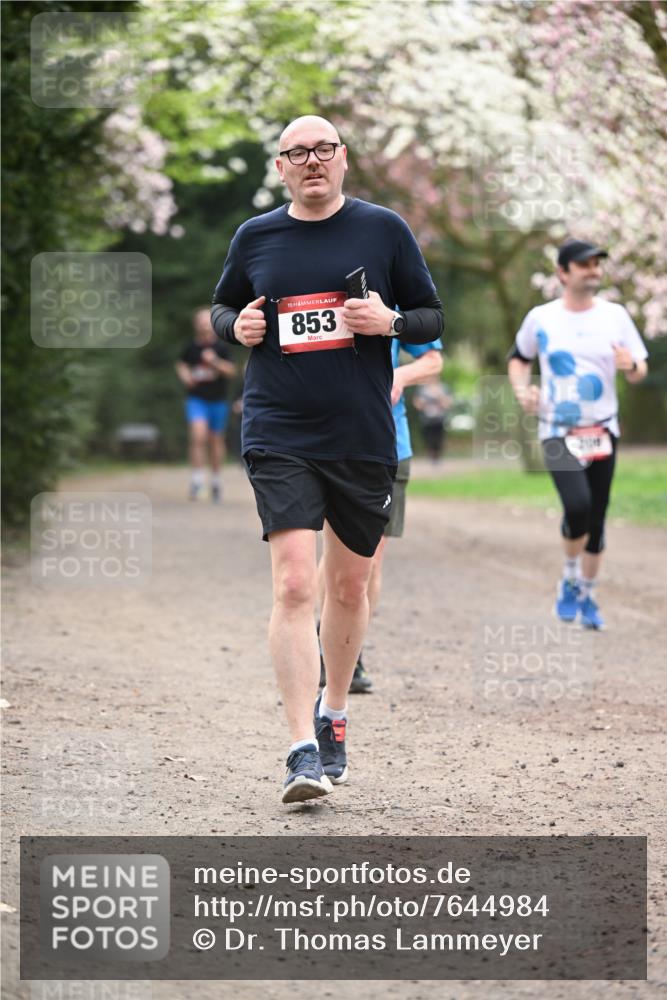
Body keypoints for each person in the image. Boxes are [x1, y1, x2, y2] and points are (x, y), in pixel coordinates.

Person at [210, 115, 444, 803]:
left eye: (322, 150)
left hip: (361, 434)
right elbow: (224, 308)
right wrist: (239, 327)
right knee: (291, 584)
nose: (311, 161)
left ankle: (333, 713)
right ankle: (299, 750)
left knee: (348, 587)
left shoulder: (383, 230)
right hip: (279, 428)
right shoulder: (255, 236)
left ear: (343, 159)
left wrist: (390, 323)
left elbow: (431, 318)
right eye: (296, 153)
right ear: (279, 167)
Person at [508, 238, 648, 629]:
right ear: (563, 273)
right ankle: (570, 578)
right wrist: (523, 391)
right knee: (578, 506)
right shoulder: (541, 317)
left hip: (603, 429)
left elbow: (639, 371)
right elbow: (518, 359)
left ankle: (587, 594)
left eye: (597, 264)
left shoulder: (616, 315)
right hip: (557, 430)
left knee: (598, 517)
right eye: (584, 264)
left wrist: (631, 364)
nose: (593, 270)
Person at [317, 337, 444, 693]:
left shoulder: (395, 286)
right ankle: (323, 634)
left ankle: (347, 649)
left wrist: (399, 376)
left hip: (388, 444)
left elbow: (433, 360)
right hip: (325, 443)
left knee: (369, 557)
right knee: (335, 551)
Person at [175, 307, 237, 502]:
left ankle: (216, 482)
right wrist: (185, 376)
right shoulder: (191, 347)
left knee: (215, 440)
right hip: (197, 399)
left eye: (207, 320)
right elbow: (181, 364)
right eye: (200, 321)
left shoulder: (221, 348)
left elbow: (231, 372)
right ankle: (197, 480)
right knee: (198, 435)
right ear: (196, 325)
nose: (204, 324)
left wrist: (215, 361)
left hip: (218, 400)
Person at [413, 376, 452, 463]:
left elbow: (448, 403)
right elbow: (417, 403)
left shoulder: (443, 388)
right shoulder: (422, 389)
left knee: (439, 439)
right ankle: (431, 457)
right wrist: (423, 403)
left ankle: (437, 458)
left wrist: (439, 397)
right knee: (428, 439)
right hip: (426, 419)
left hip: (439, 419)